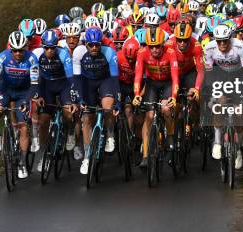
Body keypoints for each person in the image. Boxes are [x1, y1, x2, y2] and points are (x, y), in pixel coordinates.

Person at [0, 31, 39, 179]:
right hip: (5, 90)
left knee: (23, 128)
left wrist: (27, 101)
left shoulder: (32, 59)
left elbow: (34, 85)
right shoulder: (2, 57)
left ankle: (21, 162)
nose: (18, 53)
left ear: (26, 48)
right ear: (10, 48)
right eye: (15, 50)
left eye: (21, 50)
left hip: (23, 93)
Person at [72, 28, 121, 175]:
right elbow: (77, 79)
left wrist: (117, 101)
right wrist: (80, 98)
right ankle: (87, 157)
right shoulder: (79, 52)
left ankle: (110, 135)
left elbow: (114, 79)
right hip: (87, 83)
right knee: (86, 119)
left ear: (101, 44)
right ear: (85, 44)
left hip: (105, 81)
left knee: (107, 108)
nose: (94, 48)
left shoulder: (109, 53)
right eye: (91, 45)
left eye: (97, 45)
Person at [203, 25, 243, 170]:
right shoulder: (210, 48)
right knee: (219, 105)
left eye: (225, 41)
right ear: (215, 40)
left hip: (238, 77)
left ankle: (237, 150)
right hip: (220, 76)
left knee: (239, 113)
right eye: (219, 41)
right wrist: (212, 93)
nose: (222, 44)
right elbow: (209, 73)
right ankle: (218, 142)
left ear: (230, 38)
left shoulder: (239, 46)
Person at [32, 30, 79, 170]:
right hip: (46, 86)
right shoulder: (36, 54)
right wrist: (37, 95)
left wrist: (74, 97)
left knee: (68, 113)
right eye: (47, 47)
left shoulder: (63, 54)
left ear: (56, 46)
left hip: (63, 85)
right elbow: (34, 78)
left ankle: (70, 131)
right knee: (44, 120)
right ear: (42, 46)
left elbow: (71, 78)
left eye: (52, 47)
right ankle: (43, 155)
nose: (50, 50)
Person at [132, 27, 179, 169]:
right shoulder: (141, 53)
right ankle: (145, 156)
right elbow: (138, 76)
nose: (155, 50)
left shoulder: (170, 52)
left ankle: (170, 135)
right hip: (152, 83)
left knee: (165, 109)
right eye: (151, 47)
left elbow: (176, 77)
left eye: (158, 46)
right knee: (149, 116)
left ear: (162, 45)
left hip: (167, 83)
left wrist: (174, 96)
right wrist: (136, 95)